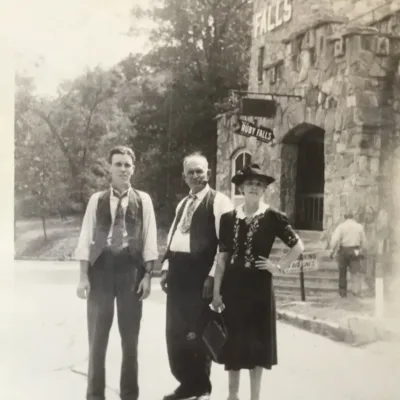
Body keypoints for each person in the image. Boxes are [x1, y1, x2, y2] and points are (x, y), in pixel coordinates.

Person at [212, 163, 305, 400]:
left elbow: (298, 246)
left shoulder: (273, 217)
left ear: (264, 190)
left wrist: (279, 267)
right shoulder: (228, 218)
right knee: (233, 341)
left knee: (257, 345)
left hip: (260, 290)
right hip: (232, 288)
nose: (254, 187)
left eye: (259, 184)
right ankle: (232, 396)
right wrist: (216, 292)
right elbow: (222, 258)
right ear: (241, 188)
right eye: (249, 183)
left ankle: (255, 397)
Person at [75, 145, 158, 400]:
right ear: (110, 168)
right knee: (97, 339)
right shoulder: (96, 200)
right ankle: (94, 395)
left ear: (133, 169)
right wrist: (83, 276)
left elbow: (149, 240)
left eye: (127, 165)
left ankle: (129, 395)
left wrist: (147, 276)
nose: (123, 169)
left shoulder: (143, 200)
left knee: (130, 341)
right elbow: (85, 238)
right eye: (118, 164)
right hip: (100, 270)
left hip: (130, 271)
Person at [160, 152, 234, 400]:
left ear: (209, 173)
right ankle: (186, 383)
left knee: (197, 332)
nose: (195, 176)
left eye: (199, 171)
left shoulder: (219, 201)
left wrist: (213, 277)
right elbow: (173, 238)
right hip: (178, 273)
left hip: (201, 273)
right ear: (184, 176)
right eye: (190, 172)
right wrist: (166, 268)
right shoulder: (183, 204)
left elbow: (226, 245)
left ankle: (201, 386)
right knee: (176, 332)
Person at [329, 210, 367, 297]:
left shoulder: (341, 227)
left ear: (344, 217)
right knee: (355, 272)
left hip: (343, 250)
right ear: (353, 217)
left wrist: (332, 250)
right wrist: (363, 250)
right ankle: (356, 291)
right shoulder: (359, 227)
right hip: (355, 250)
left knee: (342, 272)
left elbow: (335, 240)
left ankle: (342, 292)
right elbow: (364, 241)